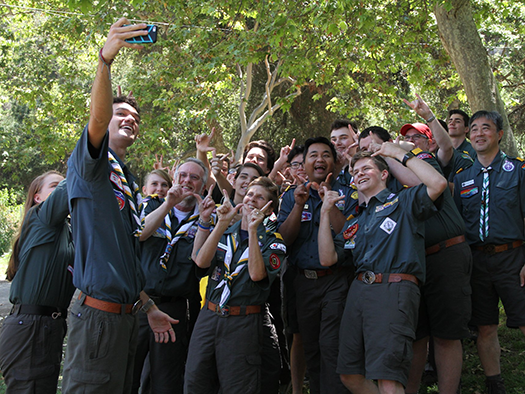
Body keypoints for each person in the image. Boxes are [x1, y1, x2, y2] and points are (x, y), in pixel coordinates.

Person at [62, 18, 177, 394]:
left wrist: (148, 308)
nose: (131, 120)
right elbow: (96, 119)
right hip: (98, 318)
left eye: (136, 118)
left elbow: (123, 261)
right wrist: (104, 61)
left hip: (126, 319)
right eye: (121, 114)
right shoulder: (91, 163)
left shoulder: (124, 177)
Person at [319, 147, 447, 394]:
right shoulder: (356, 221)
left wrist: (398, 153)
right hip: (359, 292)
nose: (359, 174)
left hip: (394, 288)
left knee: (388, 377)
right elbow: (327, 258)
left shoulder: (403, 201)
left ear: (384, 174)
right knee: (349, 374)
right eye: (355, 172)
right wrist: (325, 213)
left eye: (366, 168)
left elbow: (438, 183)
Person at [184, 178, 286, 393]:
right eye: (250, 194)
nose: (252, 200)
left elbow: (257, 274)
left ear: (269, 209)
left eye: (260, 197)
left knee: (238, 386)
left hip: (243, 320)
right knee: (195, 381)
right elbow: (201, 262)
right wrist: (221, 224)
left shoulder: (273, 241)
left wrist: (252, 231)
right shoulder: (226, 232)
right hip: (210, 315)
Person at [278, 137, 358, 394]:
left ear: (334, 162)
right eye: (313, 155)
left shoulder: (348, 192)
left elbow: (349, 234)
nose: (319, 160)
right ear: (305, 163)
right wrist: (299, 204)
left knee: (331, 345)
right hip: (304, 282)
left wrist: (328, 203)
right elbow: (284, 240)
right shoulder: (292, 196)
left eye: (326, 155)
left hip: (337, 279)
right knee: (310, 346)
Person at [453, 110, 525, 394]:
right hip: (477, 261)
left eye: (486, 128)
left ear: (500, 135)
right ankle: (494, 383)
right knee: (485, 327)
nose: (479, 133)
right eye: (474, 129)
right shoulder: (463, 177)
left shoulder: (518, 171)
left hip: (513, 258)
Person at [132, 159, 212, 394]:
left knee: (166, 383)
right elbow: (139, 235)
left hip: (175, 309)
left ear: (203, 187)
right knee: (127, 375)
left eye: (194, 178)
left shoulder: (209, 218)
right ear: (174, 179)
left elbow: (200, 264)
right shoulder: (151, 207)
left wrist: (205, 222)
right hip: (140, 303)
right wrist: (168, 204)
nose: (187, 181)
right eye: (183, 175)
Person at [0, 172, 75, 394]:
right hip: (31, 328)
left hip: (48, 327)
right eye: (54, 186)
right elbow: (76, 180)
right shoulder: (41, 217)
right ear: (37, 197)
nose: (61, 189)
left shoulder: (66, 230)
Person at [330, 119, 359, 187]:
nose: (337, 143)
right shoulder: (327, 170)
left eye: (343, 138)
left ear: (355, 140)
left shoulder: (368, 167)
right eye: (334, 139)